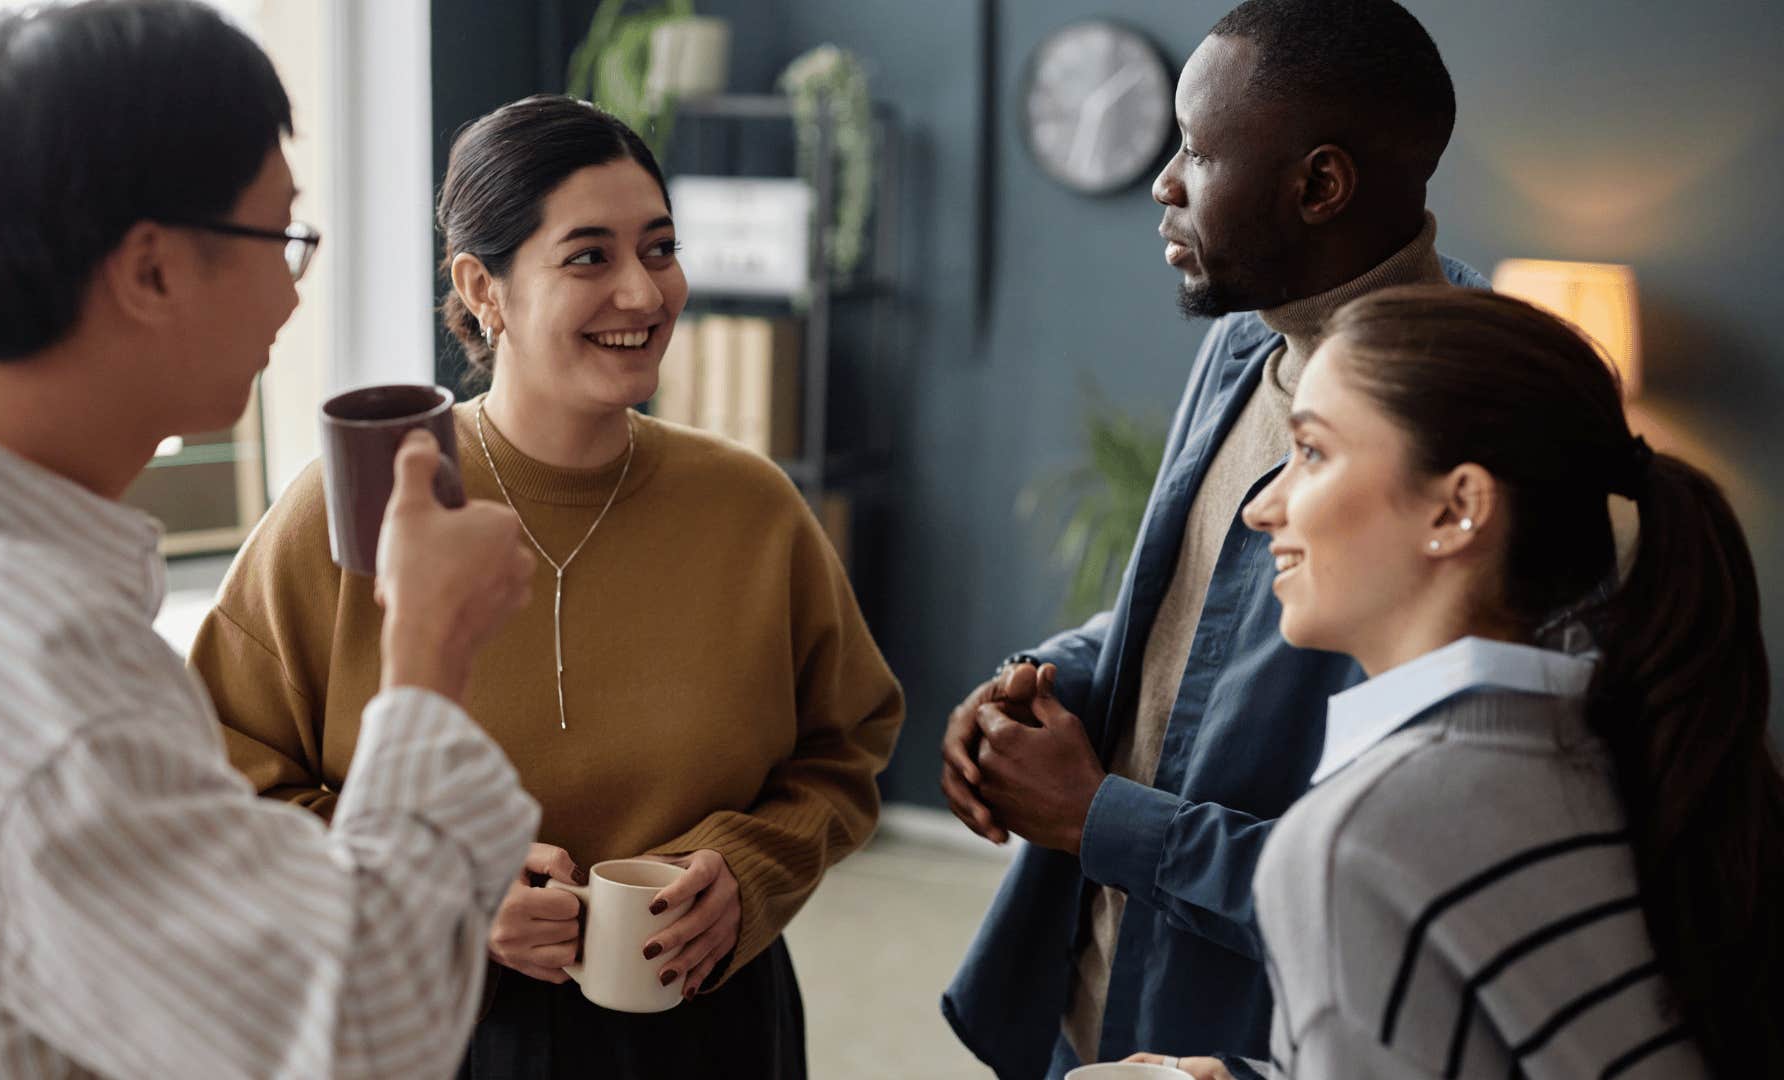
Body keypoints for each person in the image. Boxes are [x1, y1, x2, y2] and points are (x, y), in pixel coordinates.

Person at [0, 3, 544, 1078]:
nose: (289, 287)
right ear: (151, 272)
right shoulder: (40, 674)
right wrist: (428, 649)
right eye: (279, 235)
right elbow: (352, 1032)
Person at [190, 94, 906, 1080]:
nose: (645, 293)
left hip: (712, 1025)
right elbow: (226, 790)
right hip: (437, 1029)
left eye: (659, 248)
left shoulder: (752, 510)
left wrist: (749, 871)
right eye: (589, 257)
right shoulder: (354, 511)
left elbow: (846, 749)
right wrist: (440, 888)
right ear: (482, 286)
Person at [940, 0, 1487, 1074]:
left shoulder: (1472, 429)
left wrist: (1100, 818)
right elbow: (1182, 605)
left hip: (1252, 1042)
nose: (1164, 181)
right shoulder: (1245, 342)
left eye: (1195, 147)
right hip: (1096, 998)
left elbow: (1400, 887)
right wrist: (1042, 675)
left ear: (1318, 185)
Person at [1236, 284, 1779, 1076]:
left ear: (1458, 508)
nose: (1264, 507)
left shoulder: (1357, 841)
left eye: (1313, 451)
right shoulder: (1633, 747)